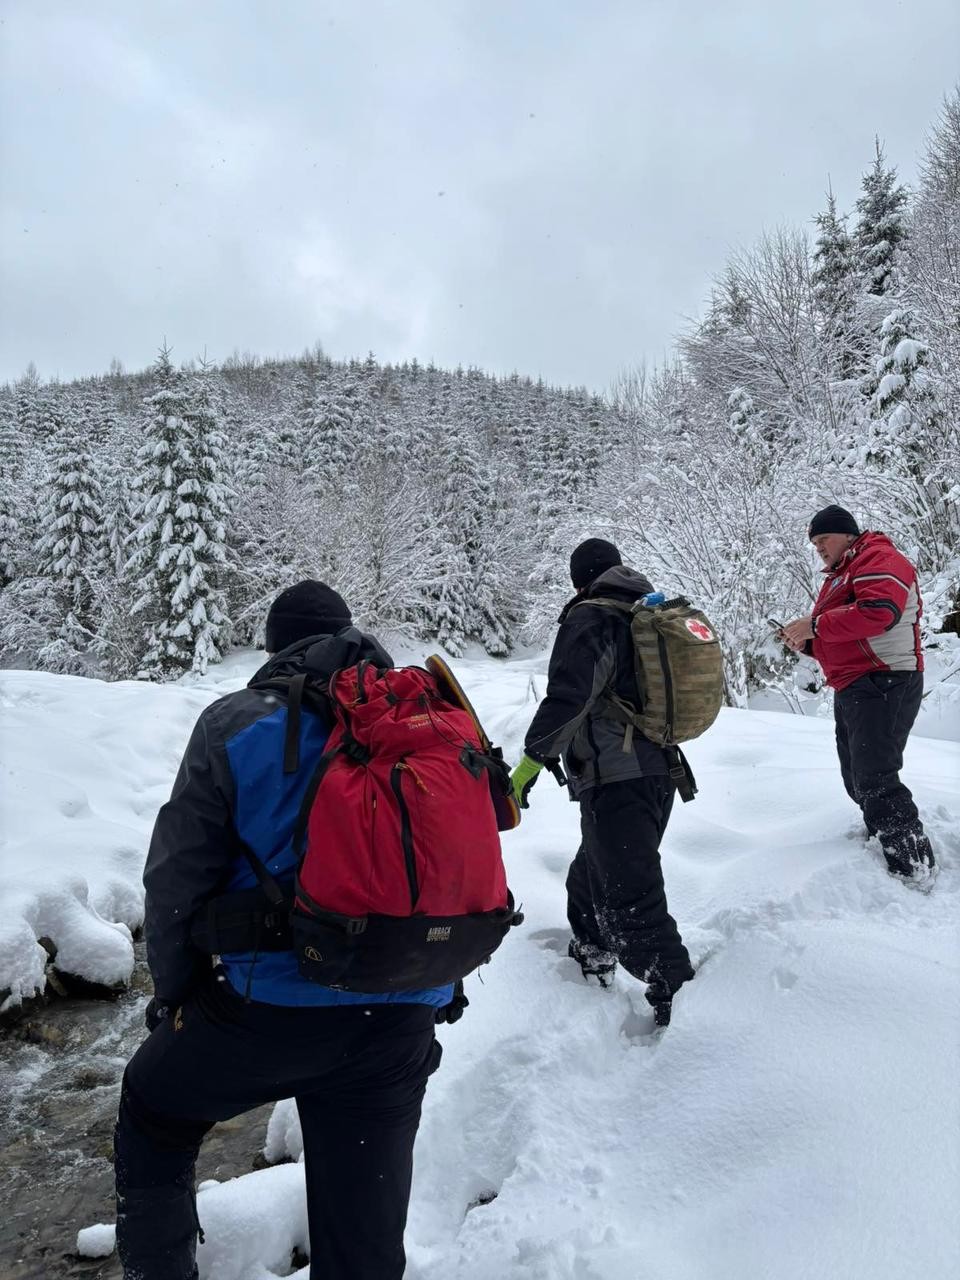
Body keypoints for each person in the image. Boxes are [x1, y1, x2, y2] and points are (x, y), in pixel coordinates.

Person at [114, 581, 457, 1280]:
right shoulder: (422, 724)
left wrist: (176, 994)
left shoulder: (236, 724)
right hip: (399, 1017)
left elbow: (175, 880)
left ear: (274, 648)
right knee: (362, 1240)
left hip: (265, 1015)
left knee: (154, 1109)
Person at [510, 538, 694, 1025]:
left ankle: (689, 1011)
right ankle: (592, 958)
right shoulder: (641, 613)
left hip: (619, 776)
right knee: (591, 874)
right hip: (657, 772)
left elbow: (570, 696)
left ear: (579, 579)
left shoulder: (593, 617)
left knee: (630, 904)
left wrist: (530, 763)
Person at [782, 506, 936, 882]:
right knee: (857, 776)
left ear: (847, 534)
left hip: (885, 679)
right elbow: (845, 636)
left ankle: (914, 870)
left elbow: (878, 613)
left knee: (875, 777)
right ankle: (886, 841)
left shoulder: (878, 558)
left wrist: (814, 624)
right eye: (814, 543)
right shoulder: (840, 576)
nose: (818, 548)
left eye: (823, 539)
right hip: (856, 683)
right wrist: (805, 642)